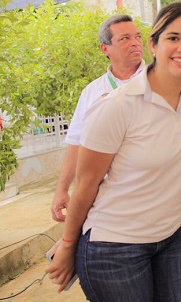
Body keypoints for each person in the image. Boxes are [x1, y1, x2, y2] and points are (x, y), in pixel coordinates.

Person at [46, 3, 181, 301]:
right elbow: (86, 183)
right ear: (154, 44)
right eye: (173, 38)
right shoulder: (117, 105)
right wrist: (68, 244)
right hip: (114, 245)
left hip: (173, 235)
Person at [50, 14, 146, 222]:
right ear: (105, 49)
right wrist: (62, 190)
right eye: (125, 38)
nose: (135, 43)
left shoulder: (159, 81)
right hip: (109, 200)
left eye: (137, 37)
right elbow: (76, 143)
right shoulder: (92, 92)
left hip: (153, 193)